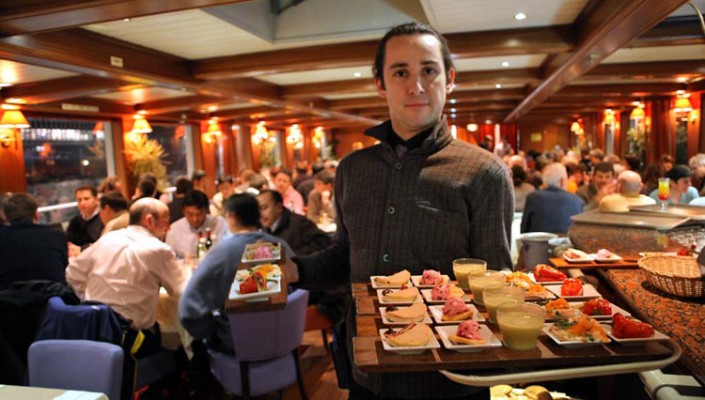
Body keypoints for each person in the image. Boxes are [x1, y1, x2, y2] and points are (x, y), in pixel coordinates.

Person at [291, 22, 513, 399]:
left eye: (429, 70)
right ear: (380, 83)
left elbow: (497, 282)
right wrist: (293, 270)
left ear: (450, 78)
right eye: (400, 72)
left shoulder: (484, 172)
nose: (417, 85)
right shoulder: (352, 169)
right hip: (369, 371)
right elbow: (346, 255)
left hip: (450, 380)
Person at [179, 194, 295, 353]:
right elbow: (297, 292)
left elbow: (188, 309)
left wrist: (213, 332)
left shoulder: (223, 253)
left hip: (239, 345)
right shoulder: (280, 246)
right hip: (283, 339)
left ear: (231, 216)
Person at [65, 197, 187, 331]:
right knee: (176, 331)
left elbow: (72, 273)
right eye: (166, 222)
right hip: (133, 335)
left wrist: (92, 302)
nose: (168, 228)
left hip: (93, 327)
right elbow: (181, 290)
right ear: (149, 221)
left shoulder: (108, 238)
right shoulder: (158, 250)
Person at [0, 193, 68, 290]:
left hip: (9, 301)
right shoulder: (56, 235)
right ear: (36, 214)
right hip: (53, 298)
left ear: (6, 217)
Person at [258, 190, 332, 258]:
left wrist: (293, 257)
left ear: (279, 207)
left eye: (264, 208)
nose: (260, 214)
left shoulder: (299, 223)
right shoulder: (263, 229)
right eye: (257, 209)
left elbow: (324, 242)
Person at [521, 163, 584, 234]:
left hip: (538, 243)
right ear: (562, 181)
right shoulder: (577, 201)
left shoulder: (532, 198)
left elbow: (524, 230)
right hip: (566, 244)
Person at [165, 190, 228, 259]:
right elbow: (169, 259)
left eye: (199, 214)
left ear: (206, 210)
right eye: (190, 214)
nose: (195, 219)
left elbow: (228, 249)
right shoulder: (174, 229)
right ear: (183, 211)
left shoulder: (219, 223)